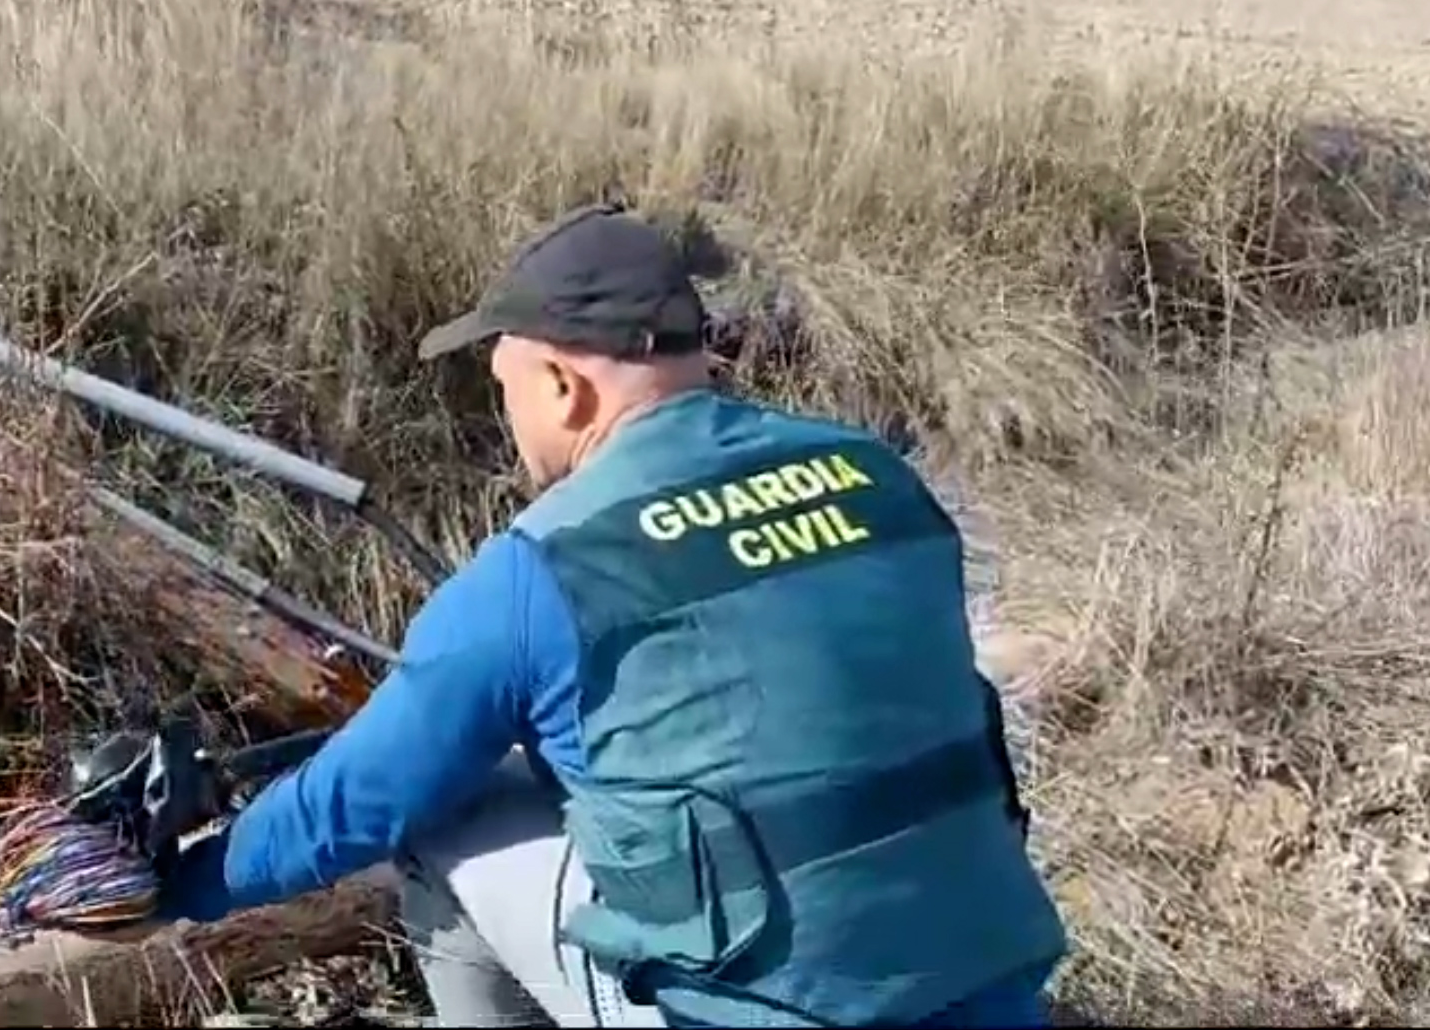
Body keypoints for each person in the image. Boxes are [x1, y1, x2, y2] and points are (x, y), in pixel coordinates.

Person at [141, 203, 1069, 1027]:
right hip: (993, 988)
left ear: (559, 387)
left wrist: (176, 885)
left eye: (503, 390)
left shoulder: (537, 570)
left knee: (441, 812)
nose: (510, 423)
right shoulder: (877, 474)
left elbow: (358, 802)